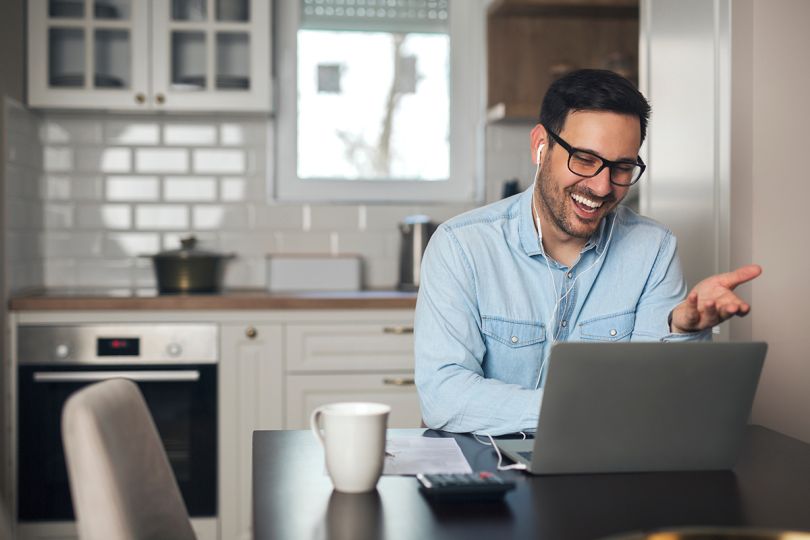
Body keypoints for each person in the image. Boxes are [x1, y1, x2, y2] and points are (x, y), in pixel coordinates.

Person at [414, 69, 761, 436]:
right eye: (583, 159)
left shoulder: (653, 249)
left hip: (606, 469)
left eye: (622, 167)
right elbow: (444, 396)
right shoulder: (460, 247)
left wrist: (681, 329)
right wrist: (576, 410)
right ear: (540, 146)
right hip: (488, 475)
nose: (600, 186)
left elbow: (654, 398)